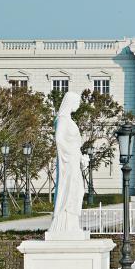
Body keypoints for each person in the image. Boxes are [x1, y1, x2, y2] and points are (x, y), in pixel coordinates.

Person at [48, 91, 88, 235]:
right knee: (72, 189)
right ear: (70, 102)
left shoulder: (69, 120)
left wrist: (80, 157)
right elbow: (59, 140)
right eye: (77, 102)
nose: (78, 105)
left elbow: (73, 144)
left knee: (78, 190)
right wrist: (74, 155)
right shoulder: (63, 120)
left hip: (73, 160)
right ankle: (64, 225)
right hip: (68, 162)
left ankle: (71, 224)